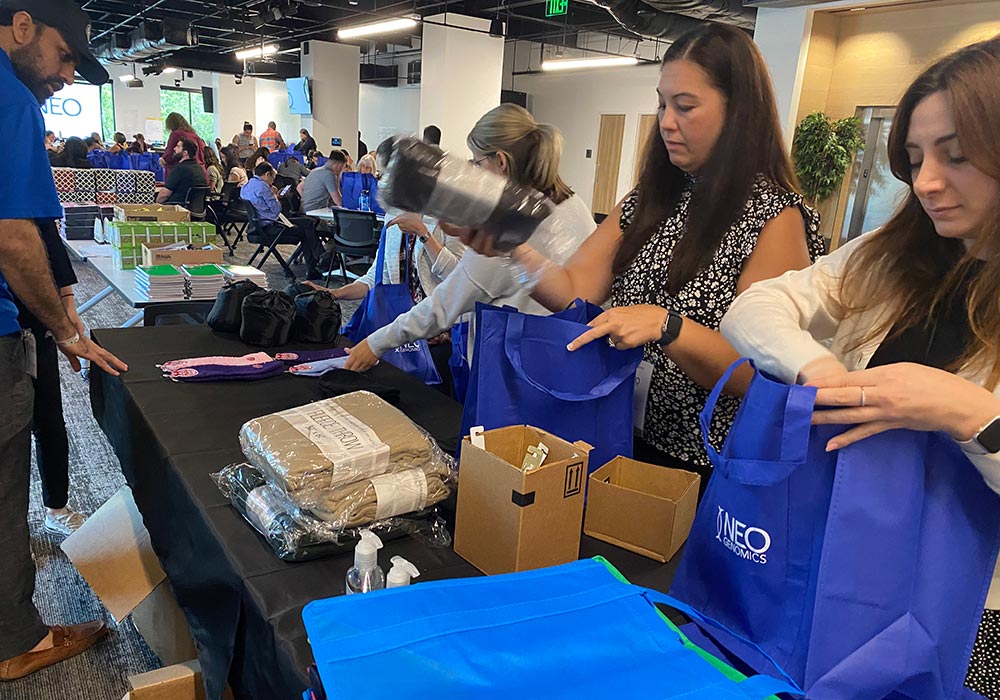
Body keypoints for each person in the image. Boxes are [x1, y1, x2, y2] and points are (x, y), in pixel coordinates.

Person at [720, 36, 1000, 696]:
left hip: (970, 607)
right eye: (914, 158)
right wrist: (818, 367)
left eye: (956, 156)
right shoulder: (897, 249)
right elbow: (754, 309)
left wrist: (966, 412)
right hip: (845, 560)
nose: (927, 181)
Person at [456, 24, 824, 487]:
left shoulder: (773, 217)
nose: (667, 121)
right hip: (619, 436)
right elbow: (573, 291)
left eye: (685, 107)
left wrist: (669, 327)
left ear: (739, 112)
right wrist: (513, 247)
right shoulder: (652, 199)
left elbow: (761, 375)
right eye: (662, 104)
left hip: (701, 467)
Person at [0, 0, 129, 681]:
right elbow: (16, 237)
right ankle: (18, 641)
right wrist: (62, 330)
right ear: (24, 27)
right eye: (66, 54)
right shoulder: (13, 102)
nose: (68, 73)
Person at [343, 105, 596, 385]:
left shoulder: (507, 229)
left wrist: (374, 344)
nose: (473, 173)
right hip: (568, 366)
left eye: (476, 163)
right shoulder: (575, 207)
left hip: (517, 376)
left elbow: (442, 306)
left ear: (501, 161)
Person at [13, 220, 86, 537]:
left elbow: (47, 234)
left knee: (49, 420)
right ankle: (14, 530)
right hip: (16, 321)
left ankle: (57, 507)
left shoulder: (25, 178)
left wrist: (67, 304)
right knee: (14, 432)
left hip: (34, 319)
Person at [241, 162, 324, 280]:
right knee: (307, 229)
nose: (273, 181)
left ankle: (319, 259)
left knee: (308, 223)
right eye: (273, 177)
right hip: (271, 226)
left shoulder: (247, 185)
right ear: (267, 174)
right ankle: (317, 263)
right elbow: (276, 210)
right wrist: (275, 196)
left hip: (258, 226)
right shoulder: (264, 187)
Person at [157, 138, 207, 204]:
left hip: (177, 209)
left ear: (185, 153)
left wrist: (155, 203)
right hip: (196, 209)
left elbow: (164, 195)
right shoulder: (199, 168)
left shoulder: (180, 169)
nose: (174, 148)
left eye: (178, 146)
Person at [161, 112, 206, 179]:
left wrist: (163, 159)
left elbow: (169, 154)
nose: (175, 148)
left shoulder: (176, 134)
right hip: (200, 172)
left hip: (182, 174)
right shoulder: (195, 135)